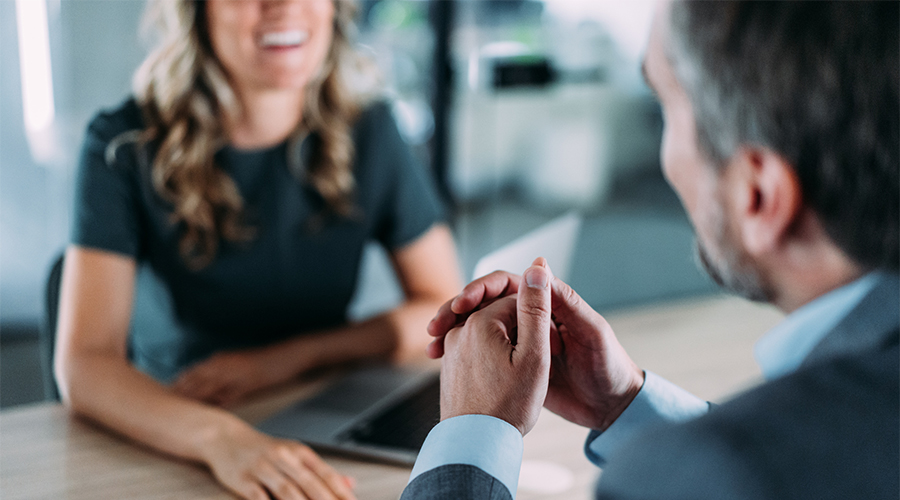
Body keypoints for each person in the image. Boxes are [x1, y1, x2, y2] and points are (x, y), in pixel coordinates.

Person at [402, 1, 899, 499]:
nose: (666, 165)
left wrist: (472, 436)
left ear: (759, 196)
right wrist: (626, 403)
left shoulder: (713, 472)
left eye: (668, 112)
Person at [55, 0, 461, 499]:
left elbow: (441, 307)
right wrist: (220, 439)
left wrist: (287, 359)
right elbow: (86, 365)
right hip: (181, 423)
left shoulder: (372, 128)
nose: (284, 6)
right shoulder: (122, 143)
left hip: (324, 406)